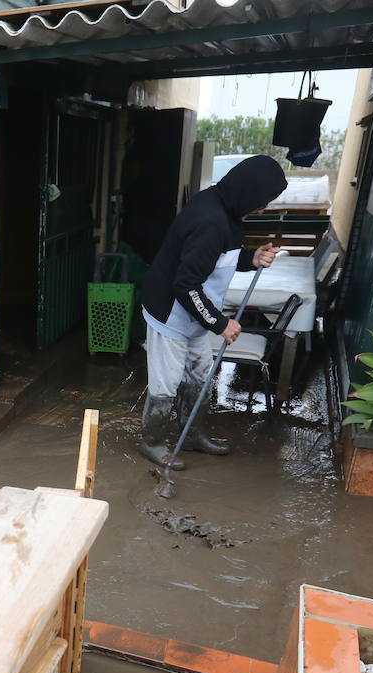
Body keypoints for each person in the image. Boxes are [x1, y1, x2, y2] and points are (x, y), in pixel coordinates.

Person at [137, 155, 288, 470]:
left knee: (201, 377)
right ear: (247, 192)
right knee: (166, 384)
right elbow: (186, 284)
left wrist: (251, 258)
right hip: (172, 315)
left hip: (196, 313)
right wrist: (220, 324)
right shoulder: (211, 220)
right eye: (262, 202)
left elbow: (215, 258)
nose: (262, 209)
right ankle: (153, 443)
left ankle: (191, 435)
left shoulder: (226, 210)